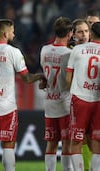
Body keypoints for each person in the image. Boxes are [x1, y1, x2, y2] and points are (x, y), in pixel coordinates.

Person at [0, 19, 45, 171]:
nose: (14, 33)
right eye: (12, 31)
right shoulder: (14, 52)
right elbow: (26, 78)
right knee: (9, 145)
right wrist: (40, 76)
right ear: (5, 34)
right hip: (7, 107)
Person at [66, 22, 100, 171]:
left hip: (79, 99)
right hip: (99, 101)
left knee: (76, 141)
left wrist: (77, 88)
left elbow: (68, 78)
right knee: (98, 142)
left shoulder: (77, 50)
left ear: (91, 34)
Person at [40, 17, 74, 171]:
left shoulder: (44, 50)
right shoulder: (69, 54)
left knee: (51, 143)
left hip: (49, 102)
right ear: (69, 34)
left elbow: (46, 73)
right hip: (65, 102)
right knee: (67, 142)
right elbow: (70, 79)